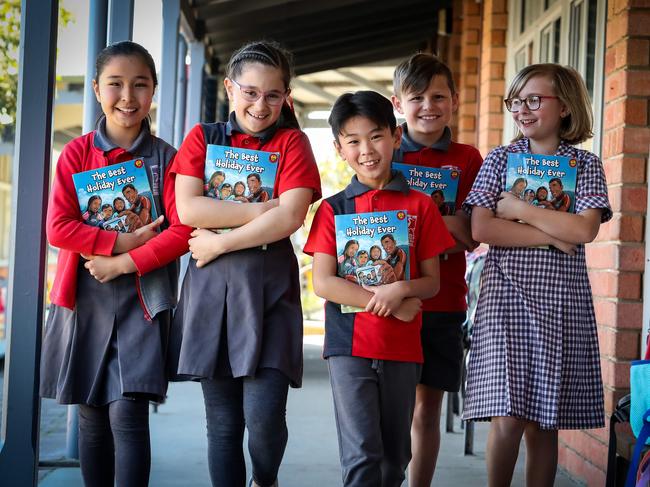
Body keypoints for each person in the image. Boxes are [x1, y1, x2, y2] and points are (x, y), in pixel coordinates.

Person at [170, 40, 321, 487]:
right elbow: (190, 210)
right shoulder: (203, 137)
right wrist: (261, 209)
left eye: (273, 95)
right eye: (251, 92)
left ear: (285, 98)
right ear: (232, 90)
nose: (261, 104)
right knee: (222, 426)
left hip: (270, 295)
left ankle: (266, 479)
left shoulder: (293, 142)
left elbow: (291, 217)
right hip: (211, 298)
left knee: (265, 420)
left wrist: (220, 243)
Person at [40, 41, 191, 487]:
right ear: (95, 89)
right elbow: (57, 228)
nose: (128, 96)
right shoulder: (76, 154)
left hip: (143, 303)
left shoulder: (169, 158)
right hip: (84, 299)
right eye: (116, 85)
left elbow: (183, 233)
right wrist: (118, 240)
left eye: (140, 85)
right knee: (90, 416)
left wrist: (126, 262)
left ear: (154, 91)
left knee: (128, 415)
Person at [462, 63, 611, 487]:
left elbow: (584, 229)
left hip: (560, 303)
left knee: (543, 422)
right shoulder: (499, 159)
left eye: (533, 100)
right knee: (507, 416)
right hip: (506, 299)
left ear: (564, 106)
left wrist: (522, 211)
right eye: (515, 101)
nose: (522, 110)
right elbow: (483, 228)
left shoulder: (586, 164)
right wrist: (553, 236)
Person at [304, 90, 455, 487]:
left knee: (394, 458)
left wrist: (399, 290)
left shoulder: (421, 205)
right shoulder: (334, 209)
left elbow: (431, 282)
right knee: (361, 456)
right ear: (339, 148)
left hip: (403, 347)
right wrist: (384, 301)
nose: (366, 150)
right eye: (353, 141)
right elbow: (323, 281)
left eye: (376, 136)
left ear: (395, 135)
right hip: (348, 346)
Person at [391, 52, 483, 487]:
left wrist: (417, 219)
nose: (429, 105)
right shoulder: (384, 150)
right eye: (417, 97)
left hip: (443, 300)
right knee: (391, 408)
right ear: (397, 103)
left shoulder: (467, 158)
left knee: (426, 409)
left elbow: (471, 233)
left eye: (439, 96)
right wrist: (439, 224)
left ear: (455, 100)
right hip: (388, 298)